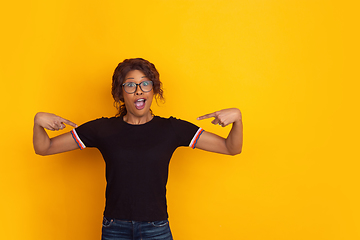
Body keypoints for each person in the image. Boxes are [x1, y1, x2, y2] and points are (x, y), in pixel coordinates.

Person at [33, 58, 243, 240]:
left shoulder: (171, 129)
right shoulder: (103, 129)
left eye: (145, 83)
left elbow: (230, 147)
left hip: (156, 228)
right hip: (115, 228)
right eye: (130, 85)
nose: (139, 90)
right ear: (120, 92)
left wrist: (237, 119)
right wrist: (38, 122)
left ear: (154, 90)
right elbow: (45, 147)